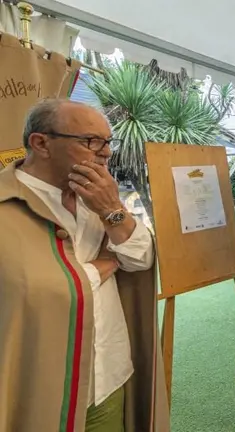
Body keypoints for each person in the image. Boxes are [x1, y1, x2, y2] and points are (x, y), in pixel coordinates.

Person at [0, 99, 169, 431]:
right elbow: (31, 291)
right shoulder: (8, 203)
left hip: (110, 371)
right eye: (91, 141)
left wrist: (110, 208)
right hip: (43, 383)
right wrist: (103, 266)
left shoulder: (97, 198)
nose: (105, 153)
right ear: (41, 143)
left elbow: (141, 257)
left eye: (108, 142)